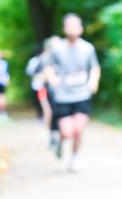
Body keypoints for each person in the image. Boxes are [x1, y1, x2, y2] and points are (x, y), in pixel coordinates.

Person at [44, 14, 100, 172]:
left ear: (81, 28)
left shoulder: (88, 48)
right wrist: (52, 78)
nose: (73, 29)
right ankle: (61, 143)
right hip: (63, 96)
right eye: (70, 26)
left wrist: (93, 81)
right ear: (64, 28)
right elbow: (48, 67)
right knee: (67, 132)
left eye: (76, 25)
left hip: (82, 94)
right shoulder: (57, 48)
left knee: (79, 130)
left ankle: (74, 159)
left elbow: (95, 67)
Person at [26, 37, 60, 148]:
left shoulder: (62, 58)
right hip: (43, 89)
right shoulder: (40, 60)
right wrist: (46, 77)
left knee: (57, 113)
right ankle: (52, 135)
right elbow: (34, 75)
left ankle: (56, 134)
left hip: (60, 91)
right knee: (48, 112)